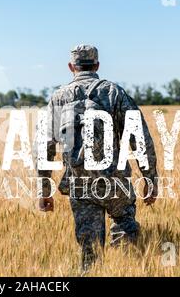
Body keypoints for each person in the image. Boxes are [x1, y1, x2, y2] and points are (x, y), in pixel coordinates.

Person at [35, 44, 159, 271]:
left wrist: (44, 190)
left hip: (79, 184)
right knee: (124, 227)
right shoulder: (113, 92)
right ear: (97, 65)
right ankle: (127, 268)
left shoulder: (58, 97)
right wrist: (150, 179)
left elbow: (44, 147)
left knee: (90, 249)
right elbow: (140, 139)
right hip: (115, 181)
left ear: (71, 66)